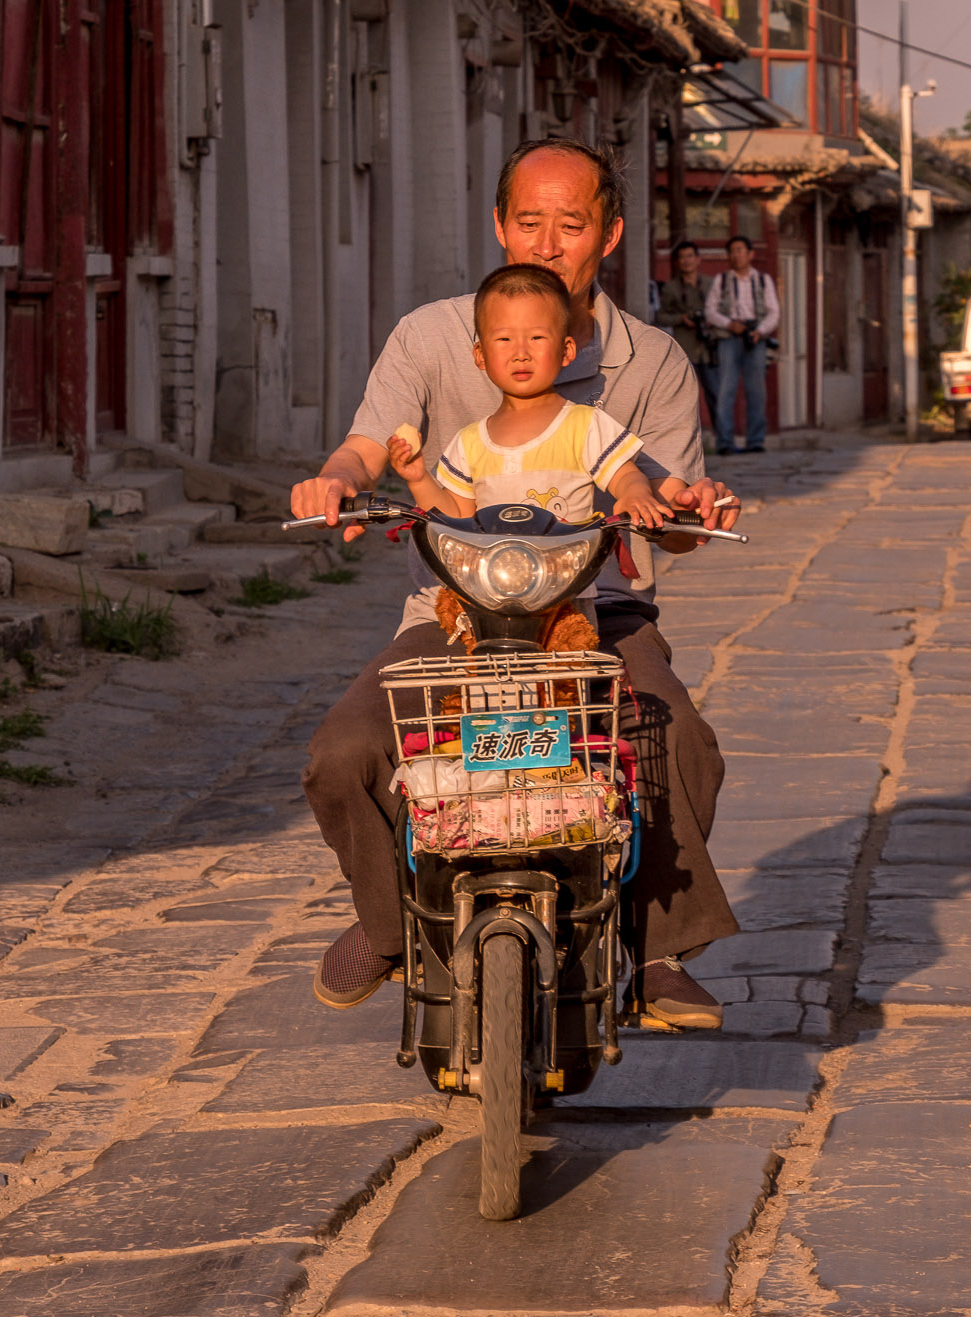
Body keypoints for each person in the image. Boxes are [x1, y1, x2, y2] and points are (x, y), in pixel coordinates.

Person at [292, 137, 743, 1031]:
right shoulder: (431, 336)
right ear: (499, 225)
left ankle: (653, 952)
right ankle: (389, 927)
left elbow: (670, 516)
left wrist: (690, 506)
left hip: (596, 612)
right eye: (527, 222)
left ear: (607, 235)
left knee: (673, 732)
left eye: (569, 225)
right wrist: (336, 475)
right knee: (341, 754)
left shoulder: (649, 361)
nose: (546, 242)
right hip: (455, 614)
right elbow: (374, 437)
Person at [391, 262, 672, 547]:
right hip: (488, 588)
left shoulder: (584, 425)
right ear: (480, 355)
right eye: (504, 339)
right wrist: (418, 479)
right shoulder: (469, 442)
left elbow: (626, 475)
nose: (521, 353)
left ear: (566, 350)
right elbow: (455, 520)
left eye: (537, 337)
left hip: (565, 586)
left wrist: (635, 494)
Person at [703, 235, 780, 455]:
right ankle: (725, 442)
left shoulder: (763, 280)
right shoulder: (723, 280)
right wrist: (729, 324)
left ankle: (755, 441)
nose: (736, 255)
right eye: (732, 251)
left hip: (755, 337)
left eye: (740, 250)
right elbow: (711, 310)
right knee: (725, 389)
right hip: (728, 337)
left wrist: (760, 331)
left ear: (750, 254)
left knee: (756, 390)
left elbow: (774, 312)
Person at [654, 241, 720, 451]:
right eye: (682, 257)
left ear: (698, 259)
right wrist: (682, 318)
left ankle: (723, 440)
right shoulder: (672, 287)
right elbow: (660, 315)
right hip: (686, 348)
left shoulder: (711, 284)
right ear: (677, 262)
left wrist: (712, 320)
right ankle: (690, 445)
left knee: (717, 395)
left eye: (690, 256)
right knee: (686, 399)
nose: (686, 261)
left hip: (710, 348)